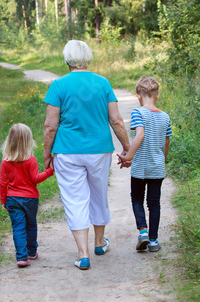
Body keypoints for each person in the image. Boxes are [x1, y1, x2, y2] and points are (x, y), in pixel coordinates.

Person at [43, 40, 131, 270]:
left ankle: (83, 254)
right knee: (98, 194)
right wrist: (126, 148)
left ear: (66, 60)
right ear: (88, 58)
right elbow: (116, 120)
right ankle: (100, 243)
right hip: (98, 150)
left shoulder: (58, 85)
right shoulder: (103, 83)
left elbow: (50, 126)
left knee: (75, 200)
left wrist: (46, 153)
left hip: (67, 151)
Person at [117, 76, 172, 252]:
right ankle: (154, 240)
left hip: (140, 167)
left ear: (138, 96)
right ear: (157, 96)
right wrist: (162, 160)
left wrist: (128, 157)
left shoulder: (138, 112)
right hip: (157, 167)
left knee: (137, 199)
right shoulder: (165, 116)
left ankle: (143, 232)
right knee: (154, 203)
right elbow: (166, 142)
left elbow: (139, 135)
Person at [0, 123, 54, 267]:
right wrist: (50, 171)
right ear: (28, 141)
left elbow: (3, 183)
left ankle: (21, 257)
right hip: (30, 199)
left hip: (12, 199)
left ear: (9, 140)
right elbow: (36, 179)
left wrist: (3, 200)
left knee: (18, 227)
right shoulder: (31, 160)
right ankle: (31, 252)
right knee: (30, 225)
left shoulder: (6, 160)